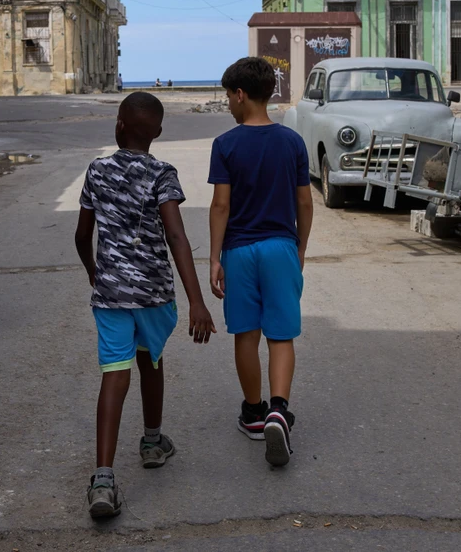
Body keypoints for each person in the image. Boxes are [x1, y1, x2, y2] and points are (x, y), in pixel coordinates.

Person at [74, 92, 216, 518]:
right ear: (157, 132)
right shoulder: (163, 174)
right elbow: (176, 237)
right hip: (153, 293)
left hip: (112, 296)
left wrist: (95, 274)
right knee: (150, 359)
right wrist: (197, 301)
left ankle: (103, 479)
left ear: (118, 126)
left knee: (114, 374)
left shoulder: (96, 170)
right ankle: (152, 442)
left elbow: (83, 236)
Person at [207, 57, 313, 467]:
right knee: (281, 335)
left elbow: (220, 206)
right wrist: (299, 248)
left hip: (240, 251)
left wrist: (215, 258)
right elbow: (304, 202)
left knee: (246, 334)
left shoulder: (226, 144)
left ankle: (253, 411)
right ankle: (279, 410)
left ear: (239, 94)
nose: (228, 106)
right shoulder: (292, 142)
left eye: (228, 98)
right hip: (280, 248)